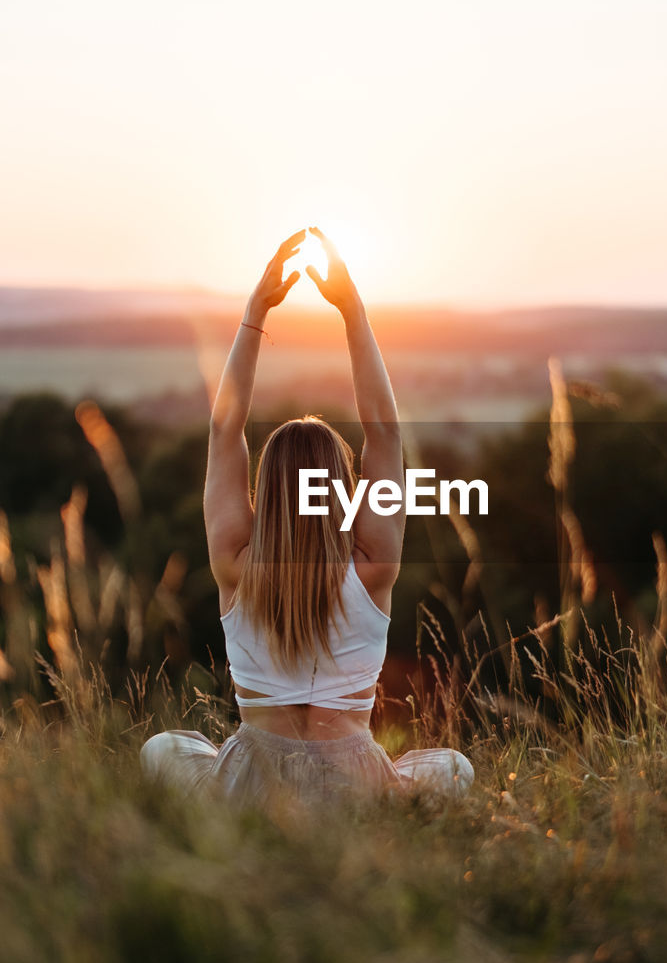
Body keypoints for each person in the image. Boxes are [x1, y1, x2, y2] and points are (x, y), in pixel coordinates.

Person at [140, 228, 475, 810]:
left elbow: (224, 429)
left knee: (164, 749)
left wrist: (254, 315)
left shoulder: (235, 565)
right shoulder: (373, 566)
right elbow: (385, 432)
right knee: (453, 769)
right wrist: (353, 313)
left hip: (252, 783)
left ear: (264, 490)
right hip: (355, 786)